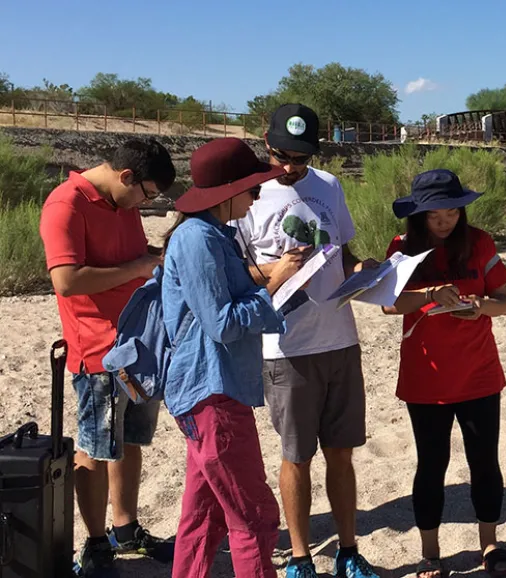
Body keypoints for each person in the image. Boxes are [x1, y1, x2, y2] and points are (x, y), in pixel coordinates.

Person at [232, 103, 382, 577]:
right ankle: (300, 558)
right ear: (265, 141)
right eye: (284, 157)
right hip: (285, 348)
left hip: (339, 339)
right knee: (296, 457)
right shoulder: (246, 195)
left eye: (302, 158)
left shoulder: (329, 186)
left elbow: (345, 253)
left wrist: (368, 272)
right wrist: (275, 271)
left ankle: (349, 551)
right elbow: (238, 273)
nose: (293, 168)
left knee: (342, 453)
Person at [161, 137, 305, 577]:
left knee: (203, 516)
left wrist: (281, 284)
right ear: (228, 191)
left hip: (211, 392)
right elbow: (221, 323)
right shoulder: (197, 239)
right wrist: (274, 282)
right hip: (212, 394)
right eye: (252, 188)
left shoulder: (211, 234)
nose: (258, 196)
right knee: (255, 517)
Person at [38, 138, 177, 576]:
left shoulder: (124, 203)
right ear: (126, 177)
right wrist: (138, 268)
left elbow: (130, 258)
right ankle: (96, 543)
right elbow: (66, 280)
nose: (146, 203)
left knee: (130, 442)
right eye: (147, 195)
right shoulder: (66, 205)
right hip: (98, 353)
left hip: (140, 347)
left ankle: (126, 528)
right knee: (95, 451)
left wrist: (156, 259)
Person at [382, 169, 506, 578]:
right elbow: (390, 305)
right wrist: (429, 295)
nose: (445, 222)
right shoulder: (403, 248)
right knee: (431, 463)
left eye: (452, 213)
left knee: (484, 460)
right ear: (418, 214)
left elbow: (504, 302)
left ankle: (489, 544)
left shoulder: (479, 242)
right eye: (435, 215)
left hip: (478, 372)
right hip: (426, 379)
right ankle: (430, 552)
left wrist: (479, 308)